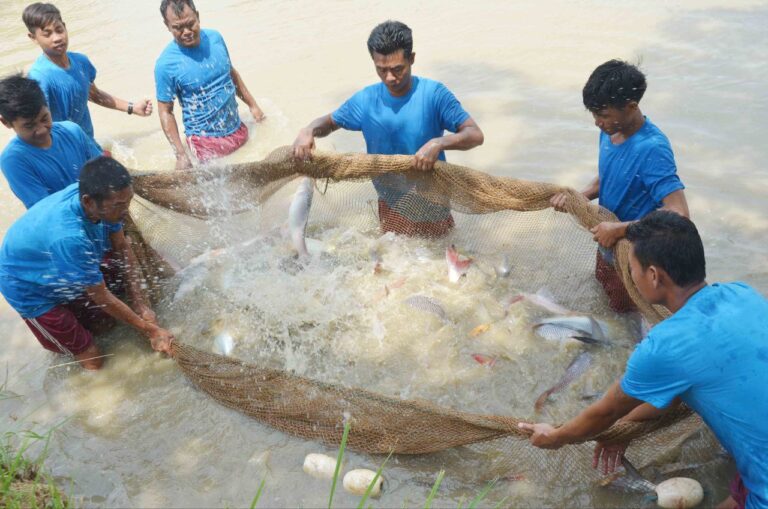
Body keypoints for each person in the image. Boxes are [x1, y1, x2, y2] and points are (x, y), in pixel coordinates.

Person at [519, 211, 767, 509]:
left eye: (632, 268)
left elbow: (605, 411)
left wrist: (556, 436)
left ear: (653, 276)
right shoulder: (741, 293)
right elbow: (676, 394)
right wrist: (626, 429)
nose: (631, 276)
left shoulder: (665, 345)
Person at [292, 20, 483, 237]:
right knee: (393, 259)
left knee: (440, 260)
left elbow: (474, 134)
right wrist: (308, 130)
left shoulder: (434, 94)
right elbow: (328, 123)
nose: (389, 78)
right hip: (390, 203)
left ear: (412, 59)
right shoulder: (366, 100)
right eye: (381, 70)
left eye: (397, 69)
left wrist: (438, 143)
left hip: (433, 204)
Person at [0, 157, 174, 370]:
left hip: (59, 263)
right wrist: (151, 331)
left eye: (128, 201)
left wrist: (139, 303)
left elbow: (122, 246)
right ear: (88, 202)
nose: (126, 209)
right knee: (92, 358)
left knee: (106, 325)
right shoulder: (70, 237)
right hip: (30, 288)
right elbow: (101, 297)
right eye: (120, 205)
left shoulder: (103, 198)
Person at [550, 60, 689, 312]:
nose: (597, 122)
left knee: (626, 315)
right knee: (604, 295)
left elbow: (678, 213)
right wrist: (579, 197)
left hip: (636, 255)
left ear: (631, 106)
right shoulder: (609, 130)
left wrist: (621, 229)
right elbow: (608, 176)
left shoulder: (652, 148)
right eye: (594, 115)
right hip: (607, 241)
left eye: (603, 115)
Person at [154, 0, 265, 170]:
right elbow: (165, 112)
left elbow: (231, 74)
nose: (186, 32)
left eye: (191, 24)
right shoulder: (165, 65)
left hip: (238, 129)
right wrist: (181, 155)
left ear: (198, 16)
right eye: (178, 28)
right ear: (167, 26)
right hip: (204, 144)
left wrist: (253, 106)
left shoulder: (216, 38)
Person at [23, 2, 152, 144]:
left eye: (59, 30)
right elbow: (36, 126)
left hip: (87, 142)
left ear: (65, 27)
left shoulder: (81, 62)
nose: (57, 38)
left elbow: (94, 95)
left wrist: (132, 107)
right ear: (33, 37)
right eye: (47, 34)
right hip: (64, 149)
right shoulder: (39, 77)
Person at [0, 74, 101, 209]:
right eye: (29, 126)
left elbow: (103, 170)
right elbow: (45, 210)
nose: (41, 130)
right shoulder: (13, 160)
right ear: (6, 122)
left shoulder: (72, 131)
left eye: (44, 118)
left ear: (47, 106)